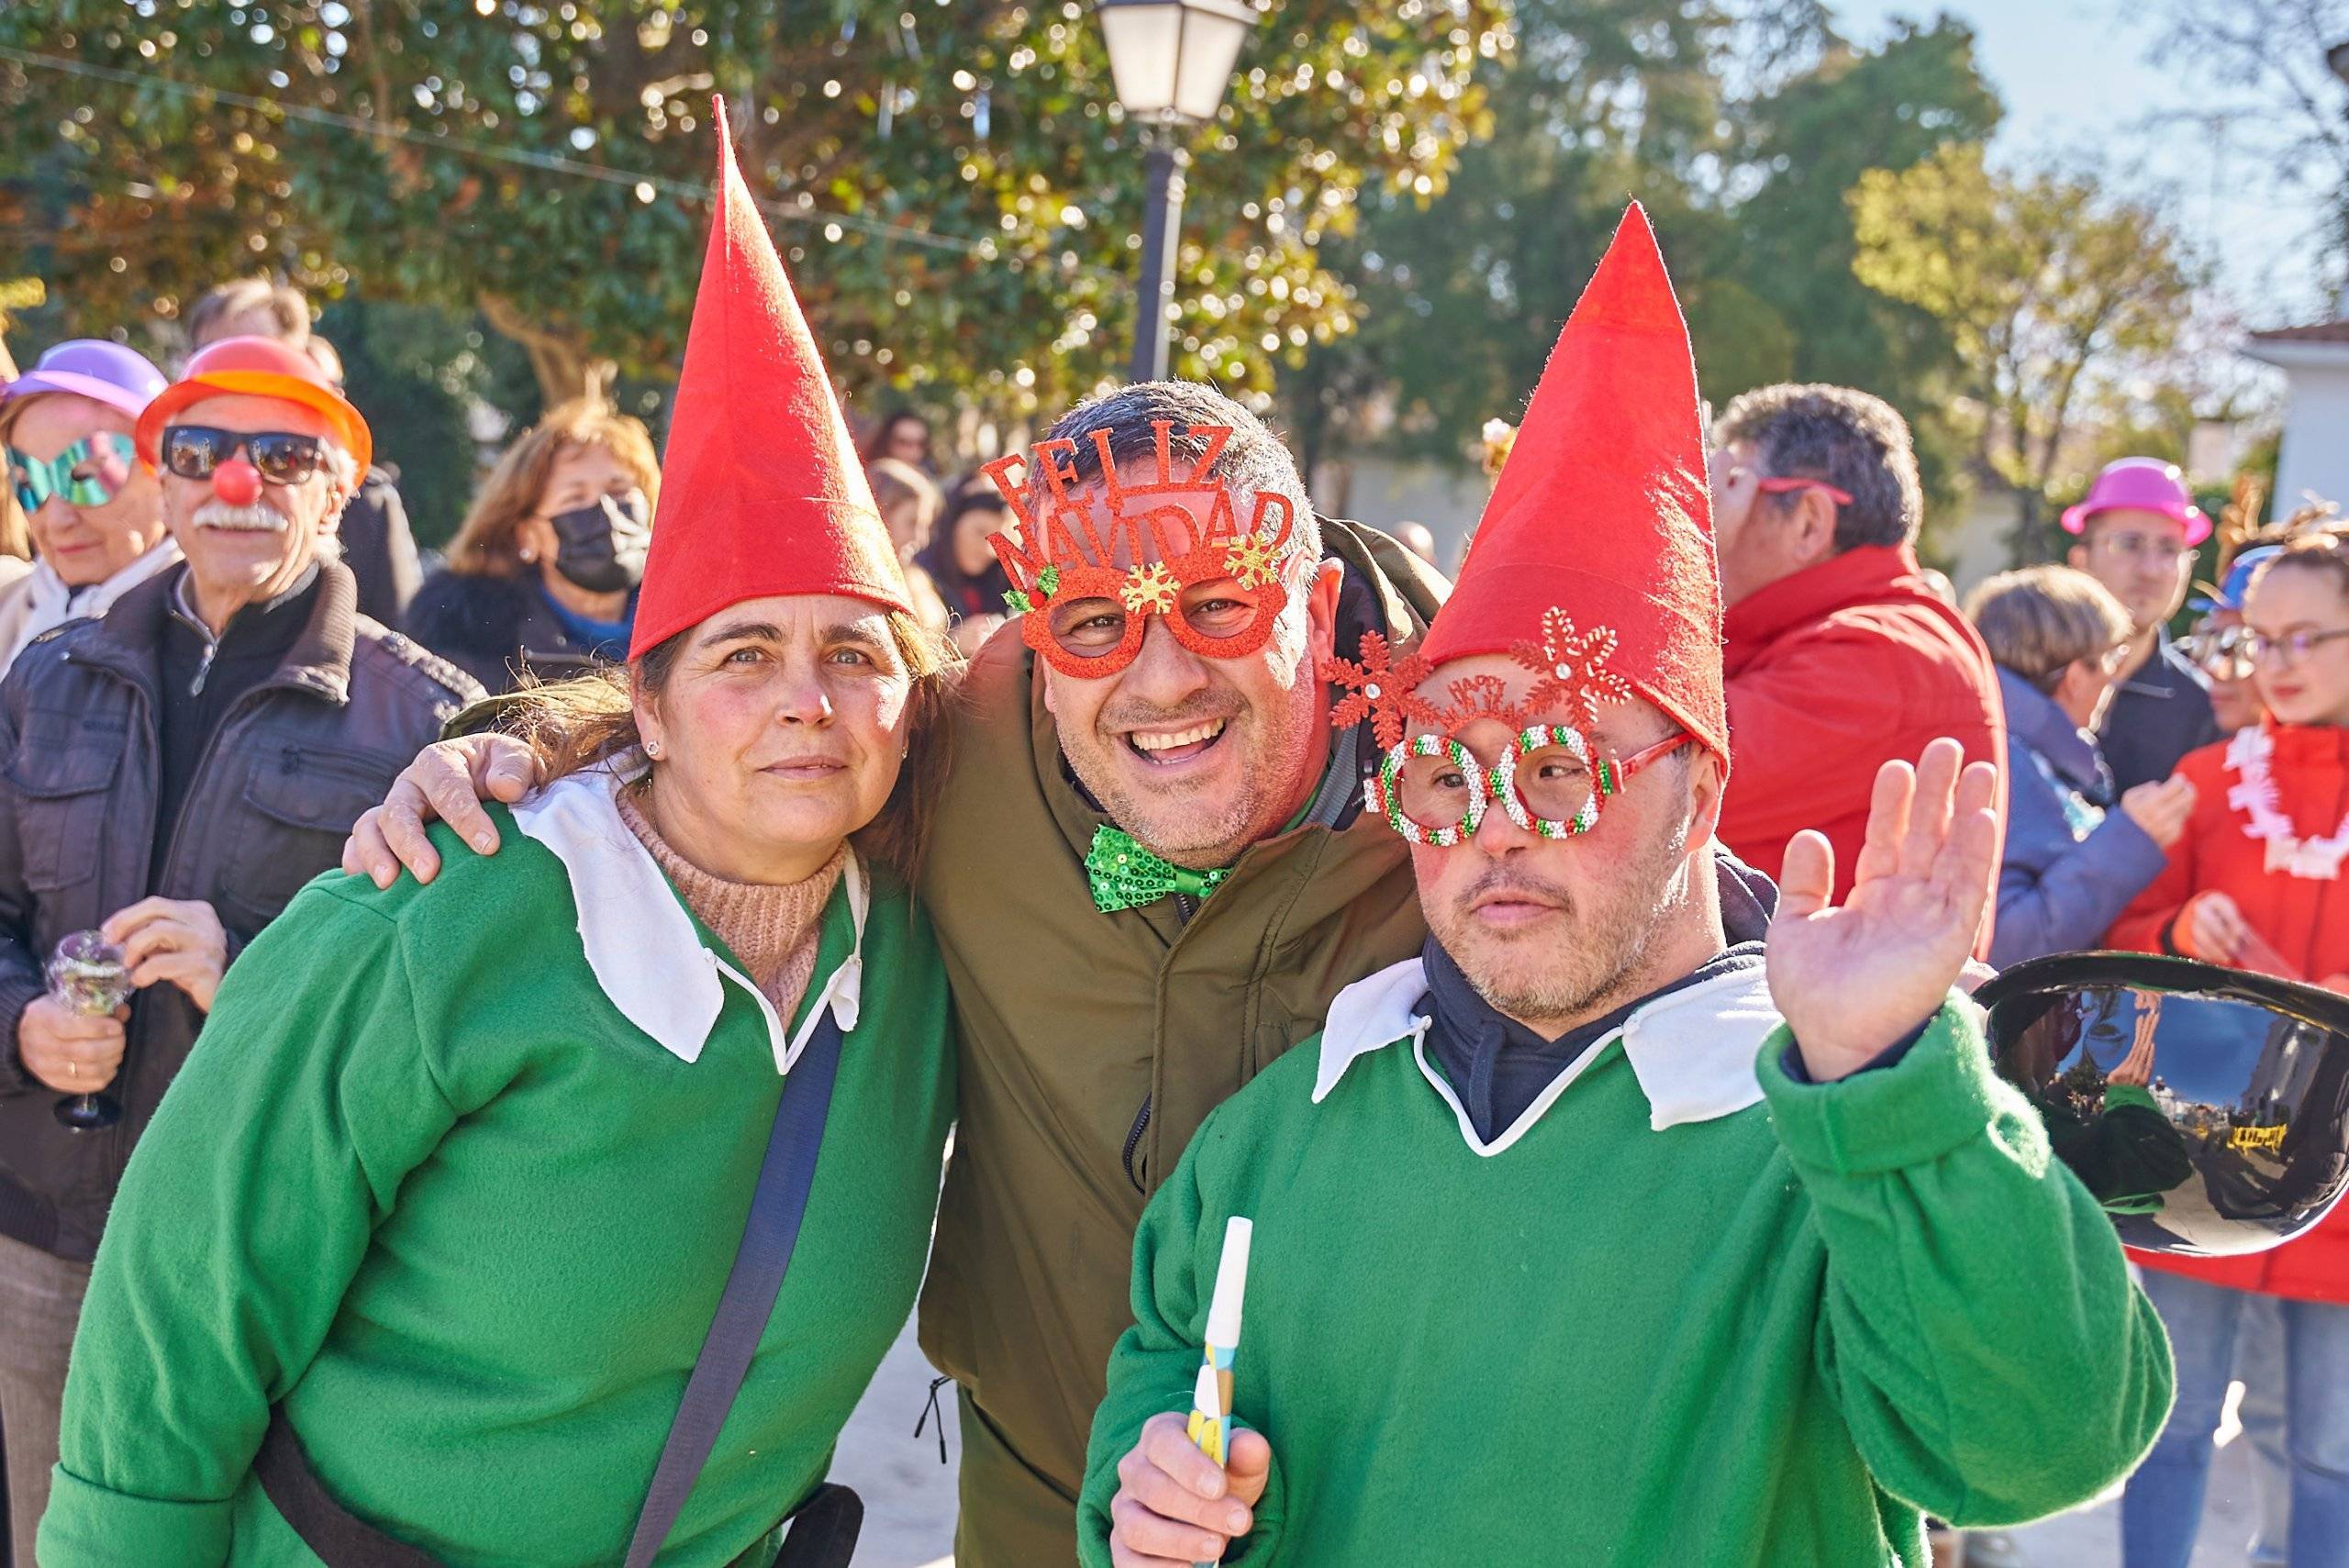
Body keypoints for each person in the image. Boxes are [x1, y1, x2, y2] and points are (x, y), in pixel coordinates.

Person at [1085, 208, 2169, 1568]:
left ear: (1703, 790)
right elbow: (1167, 1374)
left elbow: (2039, 1449)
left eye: (1555, 770)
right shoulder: (1283, 1126)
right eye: (1438, 775)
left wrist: (1893, 1086)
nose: (1492, 834)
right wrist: (1152, 1505)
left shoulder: (1832, 1128)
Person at [41, 112, 955, 1566]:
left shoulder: (929, 940)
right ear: (644, 706)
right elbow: (179, 1316)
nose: (806, 702)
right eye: (743, 656)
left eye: (855, 651)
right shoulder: (428, 908)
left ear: (915, 700)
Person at [343, 376, 1448, 1564]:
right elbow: (758, 740)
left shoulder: (1495, 803)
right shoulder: (962, 746)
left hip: (1388, 1518)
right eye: (1090, 619)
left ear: (1320, 603)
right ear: (1032, 621)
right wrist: (516, 773)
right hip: (1037, 1501)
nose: (1163, 677)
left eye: (1223, 604)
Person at [0, 335, 477, 1568]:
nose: (237, 485)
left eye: (283, 455)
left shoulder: (425, 722)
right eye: (203, 453)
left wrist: (255, 966)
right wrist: (20, 1023)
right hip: (47, 1237)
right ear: (161, 481)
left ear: (337, 492)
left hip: (280, 1256)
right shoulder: (47, 680)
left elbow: (460, 999)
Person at [2109, 532, 2349, 1568]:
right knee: (2170, 1418)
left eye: (2305, 637)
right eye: (2257, 638)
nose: (2275, 662)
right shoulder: (2208, 779)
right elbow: (2114, 951)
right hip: (2207, 1150)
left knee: (2328, 1446)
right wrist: (2174, 932)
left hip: (2343, 1167)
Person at [1709, 383, 2006, 901]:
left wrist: (1673, 564)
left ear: (1809, 522)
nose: (1704, 514)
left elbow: (1633, 780)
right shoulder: (1875, 635)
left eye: (1731, 488)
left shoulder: (1887, 652)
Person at [1966, 565, 2192, 965]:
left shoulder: (2007, 746)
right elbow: (2007, 944)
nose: (2116, 677)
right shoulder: (2010, 763)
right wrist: (2130, 838)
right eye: (2114, 659)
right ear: (2075, 675)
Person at [186, 278, 423, 628]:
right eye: (211, 352)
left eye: (257, 351)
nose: (233, 367)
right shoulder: (173, 483)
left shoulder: (366, 505)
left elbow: (402, 635)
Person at [406, 399, 661, 691]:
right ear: (527, 535)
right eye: (574, 499)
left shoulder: (696, 631)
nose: (608, 515)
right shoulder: (470, 650)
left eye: (620, 491)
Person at [0, 340, 179, 676]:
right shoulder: (8, 605)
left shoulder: (208, 625)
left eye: (86, 478)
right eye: (29, 484)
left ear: (166, 474)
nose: (56, 520)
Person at [2065, 457, 2222, 794]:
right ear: (2081, 560)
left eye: (2169, 548)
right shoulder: (2027, 679)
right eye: (2129, 544)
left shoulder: (2206, 712)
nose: (2150, 570)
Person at [918, 477, 1017, 654]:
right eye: (979, 532)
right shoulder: (918, 576)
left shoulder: (1002, 578)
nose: (988, 549)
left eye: (998, 539)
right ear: (952, 525)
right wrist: (951, 641)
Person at [868, 454, 952, 638]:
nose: (922, 539)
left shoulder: (917, 577)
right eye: (912, 522)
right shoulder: (856, 593)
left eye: (926, 526)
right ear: (878, 516)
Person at [860, 406, 931, 472]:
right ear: (886, 442)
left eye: (921, 444)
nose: (914, 452)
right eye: (903, 443)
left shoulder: (933, 480)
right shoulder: (864, 477)